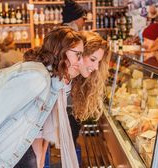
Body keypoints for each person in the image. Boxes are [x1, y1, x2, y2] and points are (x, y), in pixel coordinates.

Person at [0, 27, 88, 168]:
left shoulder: (41, 73)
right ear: (60, 51)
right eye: (78, 55)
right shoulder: (37, 78)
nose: (81, 62)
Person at [15, 31, 110, 168]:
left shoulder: (68, 79)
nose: (96, 67)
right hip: (20, 141)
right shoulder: (51, 77)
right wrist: (39, 155)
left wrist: (42, 151)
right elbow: (33, 120)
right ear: (79, 54)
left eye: (98, 62)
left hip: (30, 141)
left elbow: (46, 118)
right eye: (93, 59)